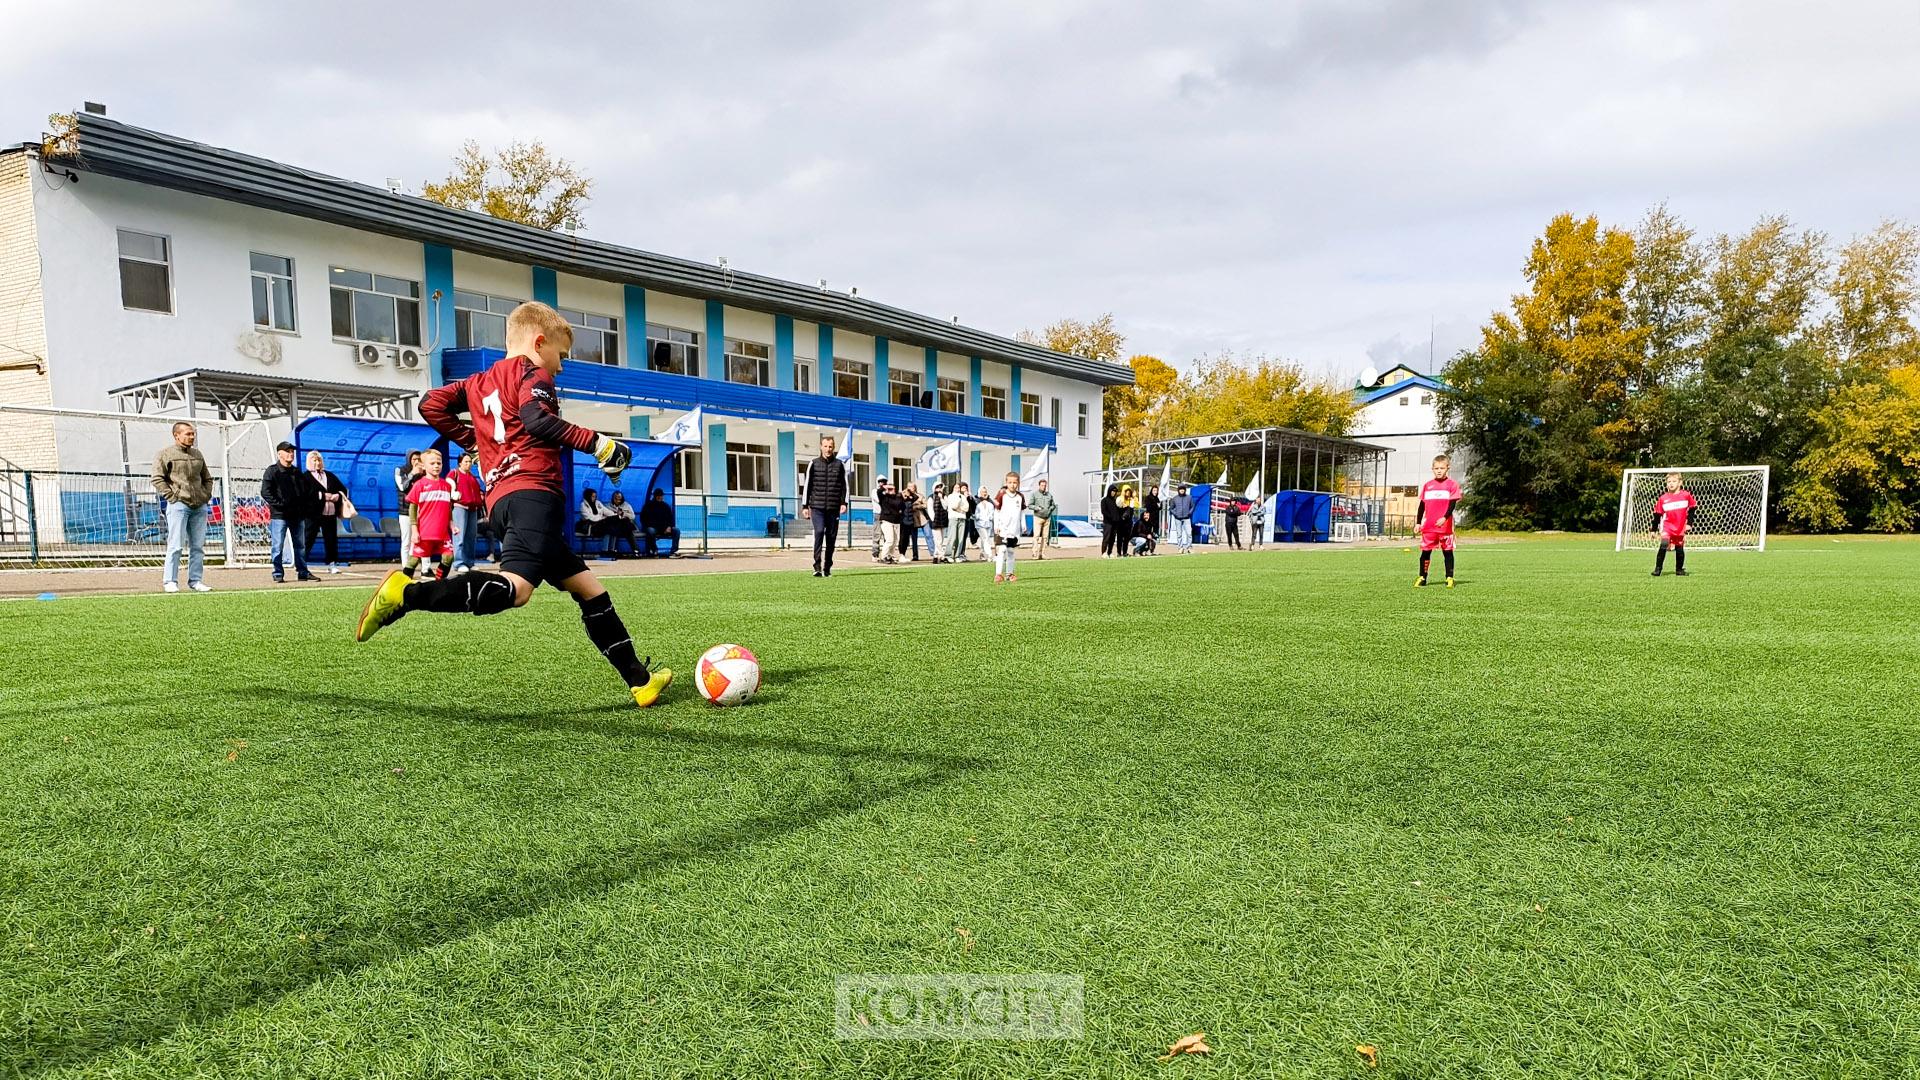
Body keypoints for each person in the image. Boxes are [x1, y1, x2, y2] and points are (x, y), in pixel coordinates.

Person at [356, 300, 672, 710]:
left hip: (503, 499)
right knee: (518, 590)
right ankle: (407, 593)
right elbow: (537, 420)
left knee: (590, 590)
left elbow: (430, 404)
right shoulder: (531, 372)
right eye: (561, 355)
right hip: (532, 494)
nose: (560, 367)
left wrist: (474, 442)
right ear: (539, 342)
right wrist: (597, 442)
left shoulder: (478, 382)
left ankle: (640, 681)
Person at [152, 421, 214, 593]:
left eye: (193, 433)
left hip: (199, 506)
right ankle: (170, 581)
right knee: (176, 545)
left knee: (198, 546)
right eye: (188, 433)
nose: (191, 436)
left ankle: (195, 580)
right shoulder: (165, 454)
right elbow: (157, 478)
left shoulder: (197, 454)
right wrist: (172, 497)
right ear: (176, 435)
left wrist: (205, 495)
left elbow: (207, 478)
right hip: (178, 505)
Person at [261, 440, 316, 583]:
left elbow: (306, 491)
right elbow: (265, 492)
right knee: (277, 546)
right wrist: (280, 505)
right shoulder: (272, 471)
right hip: (280, 516)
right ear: (280, 454)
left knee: (300, 546)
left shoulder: (297, 472)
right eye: (288, 451)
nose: (291, 453)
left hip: (297, 515)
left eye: (292, 451)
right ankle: (278, 572)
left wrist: (303, 507)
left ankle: (303, 572)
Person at [403, 449, 457, 581]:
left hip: (442, 533)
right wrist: (414, 530)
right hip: (424, 532)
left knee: (449, 557)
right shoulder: (419, 485)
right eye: (432, 463)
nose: (436, 466)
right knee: (413, 561)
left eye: (439, 463)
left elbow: (448, 507)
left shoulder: (446, 486)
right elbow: (413, 508)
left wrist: (452, 524)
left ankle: (439, 583)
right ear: (424, 466)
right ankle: (402, 584)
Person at [800, 436, 849, 576]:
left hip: (834, 508)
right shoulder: (813, 463)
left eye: (830, 446)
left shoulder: (840, 465)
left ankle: (827, 567)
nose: (828, 449)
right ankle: (817, 566)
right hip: (817, 507)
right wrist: (805, 506)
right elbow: (807, 485)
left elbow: (845, 486)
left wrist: (844, 503)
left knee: (831, 537)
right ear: (821, 447)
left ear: (833, 448)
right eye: (826, 446)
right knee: (819, 532)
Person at [1415, 454, 1463, 588]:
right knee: (1425, 552)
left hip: (1445, 526)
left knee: (1447, 552)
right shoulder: (1427, 486)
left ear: (1448, 468)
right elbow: (1422, 505)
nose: (1439, 470)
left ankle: (1449, 577)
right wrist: (1418, 523)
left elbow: (1452, 504)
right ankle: (1422, 577)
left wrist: (1444, 518)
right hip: (1429, 527)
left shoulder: (1452, 485)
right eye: (1436, 468)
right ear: (1432, 469)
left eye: (1442, 468)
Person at [303, 449, 349, 574]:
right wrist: (323, 496)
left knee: (331, 539)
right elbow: (305, 494)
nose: (317, 462)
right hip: (313, 514)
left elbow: (342, 490)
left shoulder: (329, 475)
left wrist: (337, 497)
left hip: (330, 514)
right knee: (308, 538)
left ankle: (332, 563)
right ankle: (301, 563)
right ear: (309, 462)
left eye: (319, 460)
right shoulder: (305, 477)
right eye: (314, 460)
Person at [1650, 471, 1695, 578]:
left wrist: (1689, 523)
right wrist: (1653, 530)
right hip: (1667, 527)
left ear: (1680, 483)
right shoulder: (1663, 498)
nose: (1671, 483)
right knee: (1664, 544)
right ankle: (1658, 569)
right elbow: (1657, 515)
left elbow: (1692, 508)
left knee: (1679, 548)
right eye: (1669, 481)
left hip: (1679, 528)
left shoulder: (1686, 495)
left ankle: (1679, 570)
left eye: (1674, 481)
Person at [449, 452, 485, 573]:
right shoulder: (454, 473)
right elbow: (448, 483)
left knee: (471, 537)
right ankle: (459, 563)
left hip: (473, 509)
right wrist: (453, 492)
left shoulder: (472, 477)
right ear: (460, 462)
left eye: (470, 462)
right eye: (466, 461)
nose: (469, 464)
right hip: (460, 507)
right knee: (459, 536)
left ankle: (470, 562)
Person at [991, 471, 1027, 584]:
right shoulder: (1002, 494)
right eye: (1010, 482)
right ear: (1006, 483)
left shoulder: (1020, 496)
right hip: (1003, 528)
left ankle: (1009, 574)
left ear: (1018, 483)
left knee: (1011, 551)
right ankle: (998, 574)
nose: (1012, 485)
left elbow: (1022, 512)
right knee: (1001, 550)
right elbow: (996, 511)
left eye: (1015, 482)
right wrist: (996, 525)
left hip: (1014, 530)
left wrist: (1023, 524)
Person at [394, 450, 425, 563]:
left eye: (419, 459)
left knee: (423, 540)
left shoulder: (424, 472)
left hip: (422, 511)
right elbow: (403, 487)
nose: (416, 462)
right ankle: (406, 566)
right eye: (414, 459)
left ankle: (425, 568)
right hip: (405, 510)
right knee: (407, 540)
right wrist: (412, 474)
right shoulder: (400, 470)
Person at [640, 488, 679, 557]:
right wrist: (652, 526)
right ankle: (654, 550)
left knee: (676, 530)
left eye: (661, 496)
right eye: (658, 496)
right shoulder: (648, 506)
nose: (660, 497)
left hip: (665, 528)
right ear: (654, 496)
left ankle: (673, 551)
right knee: (650, 531)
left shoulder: (666, 506)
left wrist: (669, 527)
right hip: (654, 528)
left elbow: (671, 519)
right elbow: (643, 519)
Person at [874, 480, 904, 564]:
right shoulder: (883, 497)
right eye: (889, 489)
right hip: (886, 520)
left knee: (895, 541)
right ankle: (884, 556)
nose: (891, 490)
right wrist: (885, 487)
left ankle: (889, 556)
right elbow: (878, 492)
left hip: (896, 521)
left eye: (892, 488)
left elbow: (902, 506)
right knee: (889, 539)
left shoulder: (898, 497)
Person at [1028, 479, 1057, 559]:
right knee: (1036, 536)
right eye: (1042, 485)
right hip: (1038, 517)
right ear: (1039, 485)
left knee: (1045, 537)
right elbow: (1030, 505)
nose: (1044, 487)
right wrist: (1037, 508)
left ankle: (1042, 554)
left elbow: (1053, 505)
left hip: (1047, 518)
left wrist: (1050, 509)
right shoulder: (1034, 494)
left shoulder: (1049, 495)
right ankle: (1034, 553)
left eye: (1045, 485)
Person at [604, 491, 640, 557]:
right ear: (613, 498)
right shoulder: (608, 506)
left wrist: (623, 514)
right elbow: (605, 516)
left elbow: (633, 516)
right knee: (612, 530)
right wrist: (615, 514)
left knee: (629, 532)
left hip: (625, 526)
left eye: (619, 498)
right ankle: (612, 551)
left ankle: (636, 550)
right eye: (616, 498)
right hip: (614, 525)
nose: (618, 500)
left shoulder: (627, 505)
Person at [945, 482, 972, 562]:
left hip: (962, 518)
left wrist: (960, 509)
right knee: (952, 537)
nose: (957, 489)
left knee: (960, 539)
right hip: (954, 518)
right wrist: (959, 501)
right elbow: (954, 506)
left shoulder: (963, 496)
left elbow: (966, 508)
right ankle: (949, 555)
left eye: (958, 487)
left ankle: (957, 555)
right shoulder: (950, 496)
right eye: (955, 487)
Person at [927, 482, 951, 564]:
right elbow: (930, 509)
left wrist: (941, 498)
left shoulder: (944, 496)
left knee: (941, 539)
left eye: (940, 487)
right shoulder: (931, 497)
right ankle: (942, 556)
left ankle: (935, 556)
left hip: (943, 520)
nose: (939, 489)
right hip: (935, 521)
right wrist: (933, 519)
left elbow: (946, 506)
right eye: (937, 487)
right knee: (938, 540)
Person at [901, 482, 926, 561]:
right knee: (905, 539)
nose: (910, 488)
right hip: (905, 521)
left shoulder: (918, 496)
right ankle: (902, 555)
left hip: (914, 520)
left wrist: (916, 507)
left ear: (915, 488)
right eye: (909, 487)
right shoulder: (903, 495)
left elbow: (925, 505)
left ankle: (915, 556)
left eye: (912, 487)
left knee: (914, 539)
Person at [972, 481, 998, 556]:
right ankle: (989, 555)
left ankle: (982, 553)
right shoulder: (976, 501)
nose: (985, 493)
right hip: (980, 524)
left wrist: (991, 519)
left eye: (985, 491)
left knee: (985, 539)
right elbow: (975, 513)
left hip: (988, 524)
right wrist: (976, 517)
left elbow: (993, 513)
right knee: (985, 538)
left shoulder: (990, 502)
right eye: (983, 492)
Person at [1169, 484, 1194, 554]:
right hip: (1178, 519)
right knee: (1179, 534)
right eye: (1180, 489)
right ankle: (1180, 547)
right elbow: (1171, 508)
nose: (1182, 490)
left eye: (1183, 489)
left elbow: (1192, 506)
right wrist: (1175, 514)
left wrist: (1189, 513)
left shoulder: (1189, 498)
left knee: (1189, 533)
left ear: (1185, 490)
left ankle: (1189, 547)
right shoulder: (1175, 498)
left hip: (1187, 518)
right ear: (1178, 490)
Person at [1099, 484, 1121, 558]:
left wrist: (1117, 518)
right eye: (1112, 491)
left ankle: (1110, 552)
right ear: (1109, 491)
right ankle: (1103, 552)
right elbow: (1103, 511)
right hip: (1107, 522)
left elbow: (1118, 511)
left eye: (1115, 491)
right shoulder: (1104, 500)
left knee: (1112, 538)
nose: (1113, 493)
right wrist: (1111, 517)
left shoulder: (1116, 501)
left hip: (1115, 523)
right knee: (1106, 538)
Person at [1116, 485, 1138, 558]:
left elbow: (1134, 507)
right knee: (1119, 538)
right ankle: (1119, 553)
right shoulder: (1119, 498)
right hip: (1120, 522)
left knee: (1126, 539)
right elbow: (1118, 505)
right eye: (1126, 492)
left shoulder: (1131, 500)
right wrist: (1123, 503)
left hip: (1128, 522)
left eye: (1129, 492)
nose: (1128, 494)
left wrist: (1134, 498)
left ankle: (1125, 552)